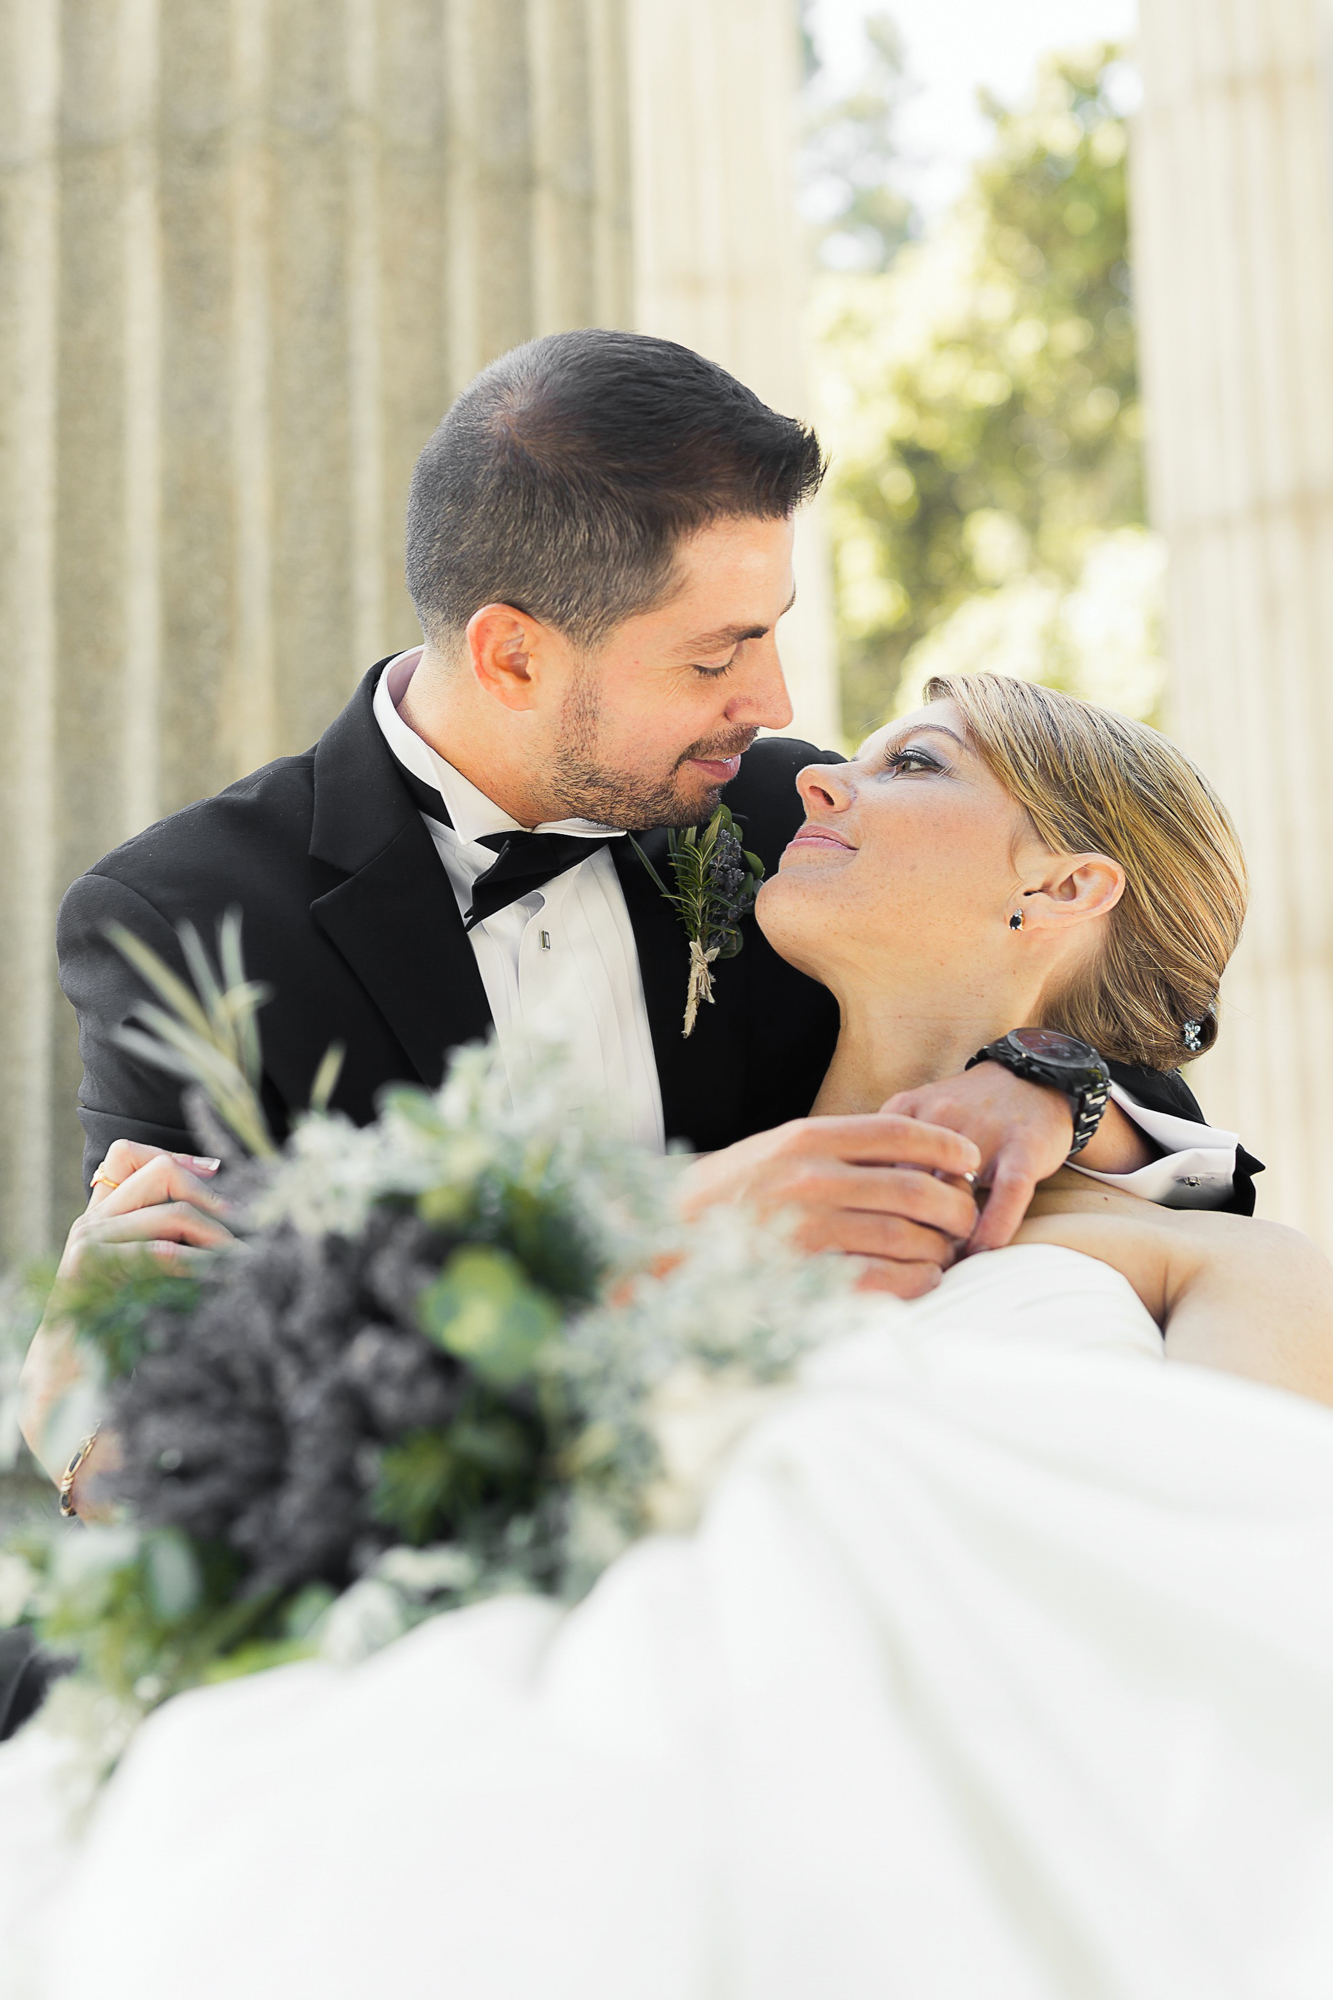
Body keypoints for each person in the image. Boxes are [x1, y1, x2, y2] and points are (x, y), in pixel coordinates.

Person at [8, 679, 1333, 2000]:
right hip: (497, 1814)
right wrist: (95, 1429)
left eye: (913, 763)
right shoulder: (657, 1209)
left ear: (1061, 892)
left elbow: (1261, 1663)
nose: (812, 775)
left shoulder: (1215, 1262)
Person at [55, 330, 1253, 1319]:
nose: (774, 704)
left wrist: (1042, 1089)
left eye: (773, 627)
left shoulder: (795, 824)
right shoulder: (181, 921)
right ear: (512, 654)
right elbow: (194, 1367)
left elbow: (1152, 1082)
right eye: (713, 656)